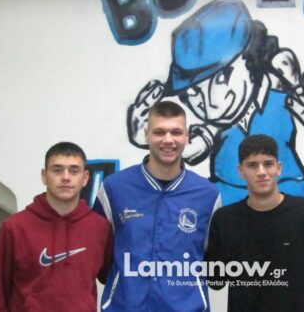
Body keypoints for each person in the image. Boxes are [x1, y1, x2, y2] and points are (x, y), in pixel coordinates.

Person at [127, 0, 304, 206]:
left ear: (247, 58)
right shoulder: (217, 125)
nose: (205, 102)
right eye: (191, 93)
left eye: (220, 78)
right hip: (230, 206)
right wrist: (150, 140)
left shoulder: (281, 100)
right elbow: (193, 148)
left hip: (288, 197)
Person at [93, 100, 221, 312]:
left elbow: (211, 258)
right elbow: (100, 257)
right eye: (159, 132)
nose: (168, 140)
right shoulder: (114, 189)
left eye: (176, 132)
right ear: (146, 134)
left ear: (187, 136)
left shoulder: (208, 195)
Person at [206, 134, 304, 312]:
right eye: (252, 165)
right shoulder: (225, 220)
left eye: (268, 164)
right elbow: (216, 282)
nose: (261, 172)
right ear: (241, 171)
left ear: (278, 168)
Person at [0, 142, 113, 312]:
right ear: (44, 176)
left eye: (74, 171)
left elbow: (112, 280)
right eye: (57, 170)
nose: (66, 177)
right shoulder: (14, 227)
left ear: (85, 178)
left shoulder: (100, 227)